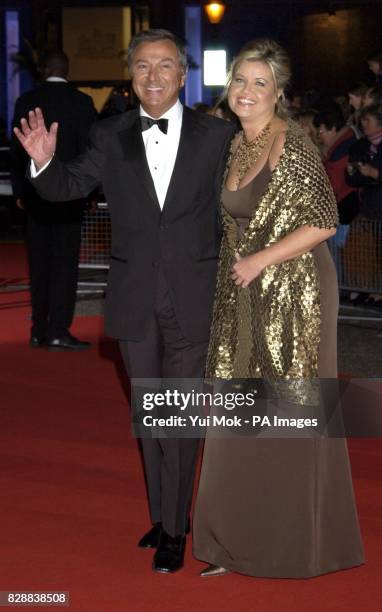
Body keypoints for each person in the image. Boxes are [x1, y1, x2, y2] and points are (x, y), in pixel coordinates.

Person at [14, 29, 235, 574]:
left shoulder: (218, 135)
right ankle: (161, 514)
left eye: (164, 67)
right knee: (151, 415)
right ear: (130, 77)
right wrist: (43, 164)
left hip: (194, 293)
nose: (152, 77)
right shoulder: (110, 135)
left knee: (180, 417)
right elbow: (69, 186)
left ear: (182, 76)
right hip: (135, 295)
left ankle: (177, 530)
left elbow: (242, 205)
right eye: (142, 67)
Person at [193, 39, 364, 578]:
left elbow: (323, 219)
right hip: (246, 292)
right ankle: (232, 540)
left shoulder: (292, 144)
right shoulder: (238, 143)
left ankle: (287, 545)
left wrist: (261, 259)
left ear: (279, 93)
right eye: (240, 80)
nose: (247, 90)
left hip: (297, 292)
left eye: (259, 82)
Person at [10, 51, 98, 350]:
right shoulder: (82, 103)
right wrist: (90, 192)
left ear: (44, 69)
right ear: (67, 69)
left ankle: (38, 330)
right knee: (64, 265)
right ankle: (59, 329)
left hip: (35, 196)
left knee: (39, 264)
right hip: (70, 196)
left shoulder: (26, 101)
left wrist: (21, 191)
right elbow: (91, 152)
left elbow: (17, 150)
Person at [346, 104, 382, 307]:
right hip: (368, 207)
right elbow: (353, 178)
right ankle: (366, 288)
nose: (363, 124)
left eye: (367, 120)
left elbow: (372, 174)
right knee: (362, 249)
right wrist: (356, 173)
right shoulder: (360, 146)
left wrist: (375, 174)